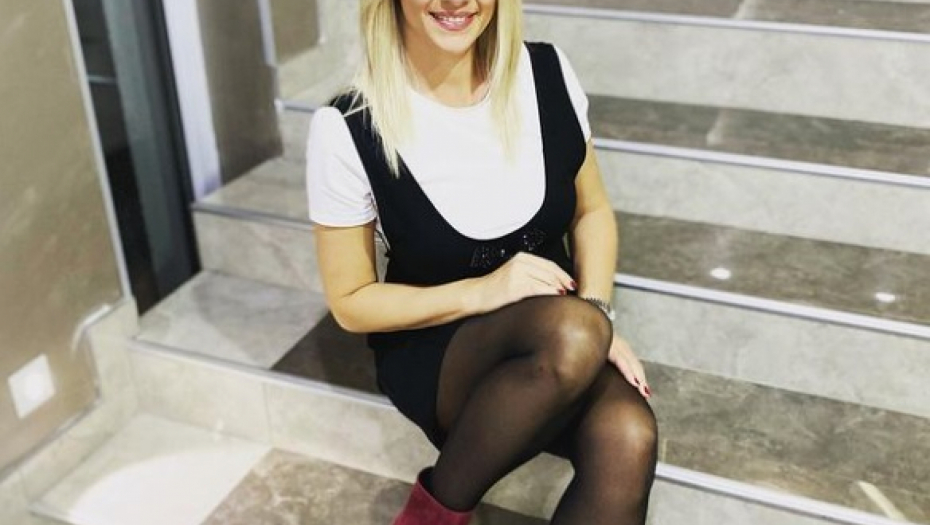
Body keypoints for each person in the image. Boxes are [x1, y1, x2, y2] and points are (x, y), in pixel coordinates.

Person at [306, 1, 658, 523]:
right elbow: (352, 303)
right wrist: (484, 290)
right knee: (573, 333)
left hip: (561, 330)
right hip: (440, 344)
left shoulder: (547, 72)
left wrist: (598, 312)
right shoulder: (350, 124)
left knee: (629, 434)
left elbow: (593, 212)